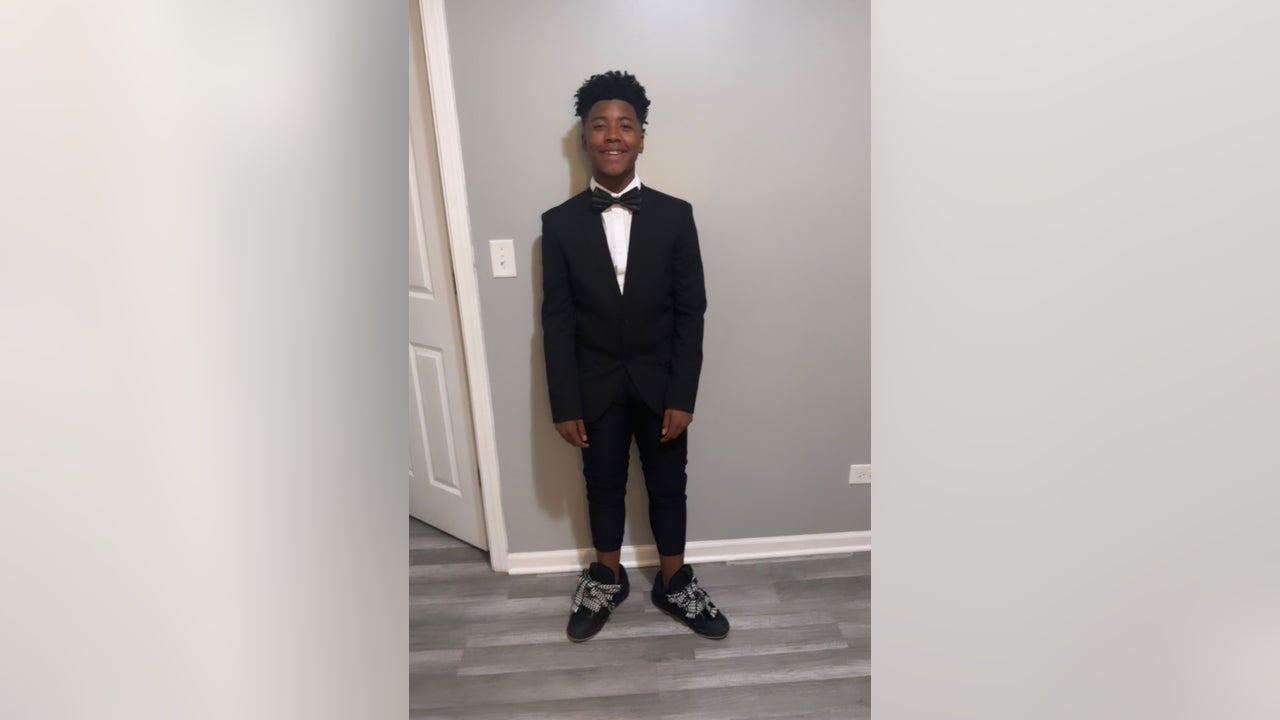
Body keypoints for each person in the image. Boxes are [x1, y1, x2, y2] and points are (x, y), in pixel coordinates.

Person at [540, 70, 730, 643]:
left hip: (661, 384)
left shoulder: (676, 215)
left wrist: (683, 394)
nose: (613, 135)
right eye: (600, 125)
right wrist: (564, 403)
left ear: (642, 138)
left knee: (669, 486)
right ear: (585, 139)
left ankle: (674, 583)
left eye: (625, 125)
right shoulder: (558, 224)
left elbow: (691, 312)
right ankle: (607, 577)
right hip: (594, 385)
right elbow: (556, 320)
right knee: (601, 485)